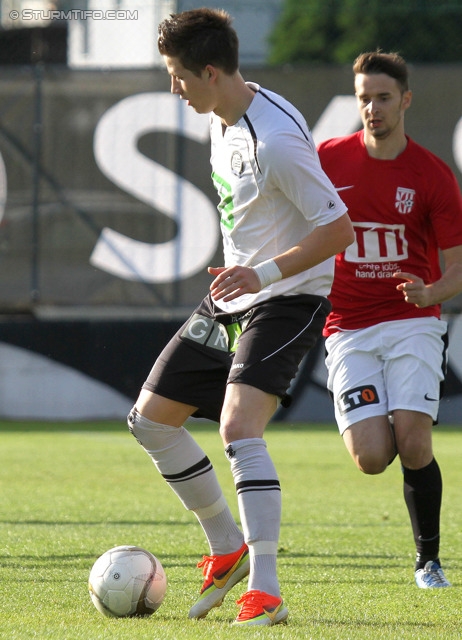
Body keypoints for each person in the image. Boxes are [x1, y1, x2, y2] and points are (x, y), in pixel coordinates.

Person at [127, 7, 353, 627]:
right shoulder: (223, 117)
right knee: (149, 422)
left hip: (289, 299)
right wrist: (244, 273)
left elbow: (339, 228)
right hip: (234, 297)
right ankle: (225, 544)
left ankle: (268, 589)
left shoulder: (273, 140)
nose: (174, 89)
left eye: (177, 76)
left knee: (238, 428)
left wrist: (266, 273)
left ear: (208, 71)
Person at [318, 51, 462, 589]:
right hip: (349, 328)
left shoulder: (431, 175)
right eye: (363, 99)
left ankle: (429, 562)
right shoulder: (327, 160)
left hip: (413, 323)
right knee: (373, 457)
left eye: (382, 98)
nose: (372, 109)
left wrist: (431, 291)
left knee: (415, 441)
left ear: (405, 99)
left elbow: (458, 268)